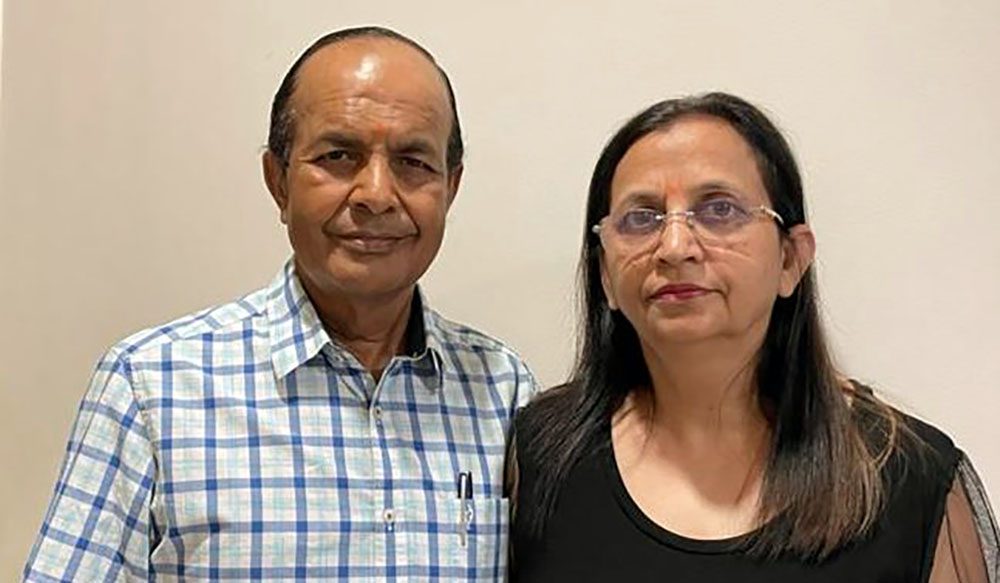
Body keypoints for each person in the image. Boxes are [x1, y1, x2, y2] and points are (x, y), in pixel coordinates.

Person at [24, 26, 536, 581]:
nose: (376, 195)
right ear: (279, 182)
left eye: (414, 162)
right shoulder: (151, 386)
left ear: (450, 187)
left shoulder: (503, 391)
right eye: (340, 155)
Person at [509, 92, 998, 582]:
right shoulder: (538, 458)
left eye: (719, 209)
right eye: (641, 218)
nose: (675, 247)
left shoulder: (912, 478)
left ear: (791, 259)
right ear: (605, 276)